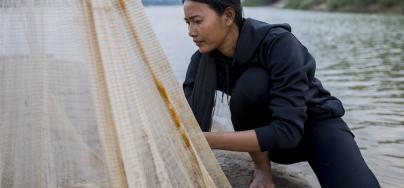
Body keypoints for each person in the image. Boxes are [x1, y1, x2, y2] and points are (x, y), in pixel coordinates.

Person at [182, 0, 381, 187]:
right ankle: (262, 167)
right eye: (188, 22)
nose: (191, 32)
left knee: (254, 81)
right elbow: (187, 120)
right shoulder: (201, 63)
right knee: (249, 87)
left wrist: (206, 140)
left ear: (228, 16)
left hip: (316, 128)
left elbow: (288, 131)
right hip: (269, 146)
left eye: (197, 21)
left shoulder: (278, 43)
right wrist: (261, 169)